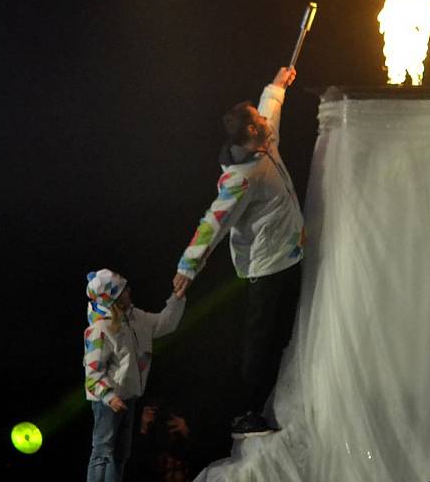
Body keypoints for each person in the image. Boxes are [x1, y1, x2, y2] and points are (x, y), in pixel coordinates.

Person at [173, 67, 305, 439]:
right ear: (250, 131)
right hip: (266, 266)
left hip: (289, 255)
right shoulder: (241, 177)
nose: (265, 120)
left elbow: (270, 111)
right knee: (260, 341)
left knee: (281, 336)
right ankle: (245, 413)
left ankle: (269, 401)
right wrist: (188, 266)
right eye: (258, 119)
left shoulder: (265, 141)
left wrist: (275, 87)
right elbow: (213, 222)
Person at [84, 269, 186, 482]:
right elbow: (93, 373)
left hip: (128, 397)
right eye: (123, 290)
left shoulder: (135, 317)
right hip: (107, 401)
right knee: (103, 452)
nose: (129, 291)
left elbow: (163, 324)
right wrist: (109, 396)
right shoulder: (99, 329)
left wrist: (176, 299)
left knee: (121, 454)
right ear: (113, 296)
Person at [129, 399, 195, 482]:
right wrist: (186, 430)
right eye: (180, 465)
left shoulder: (144, 455)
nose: (173, 461)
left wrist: (143, 426)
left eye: (166, 463)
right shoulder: (185, 450)